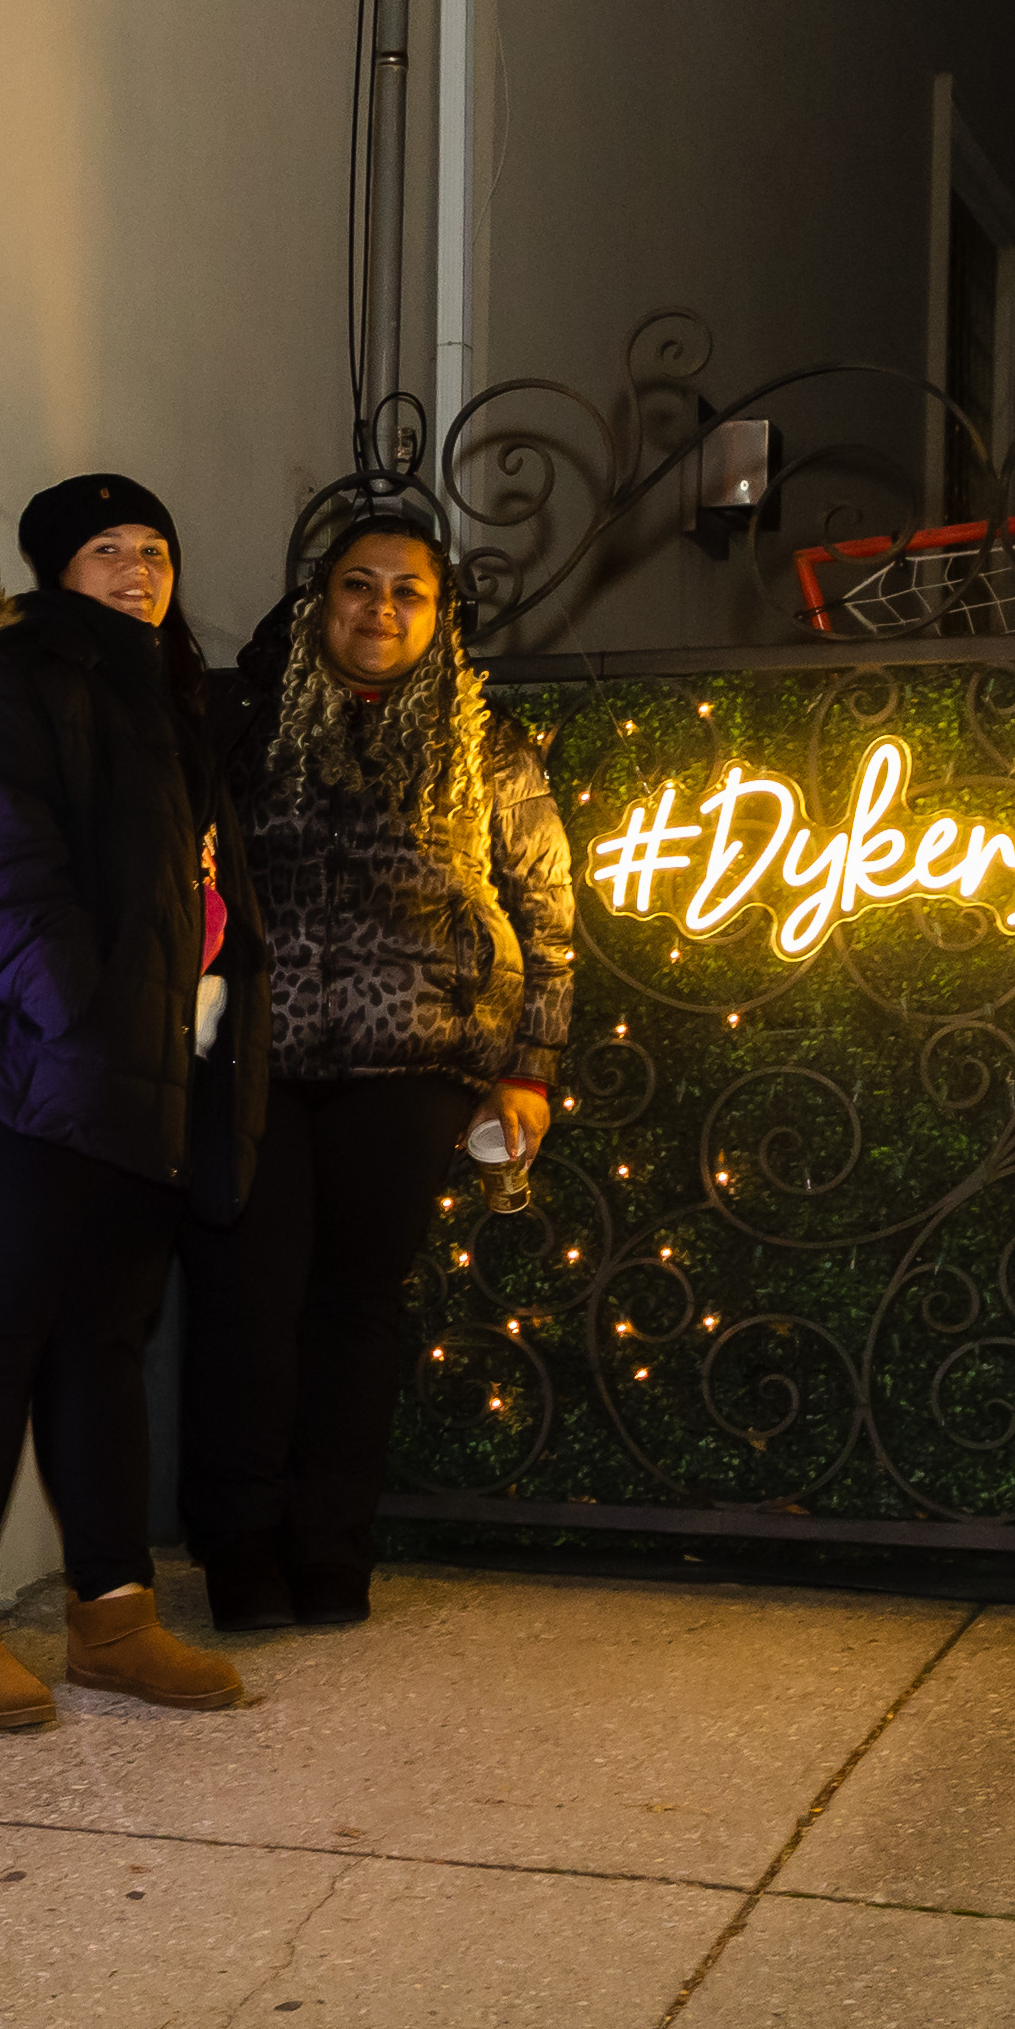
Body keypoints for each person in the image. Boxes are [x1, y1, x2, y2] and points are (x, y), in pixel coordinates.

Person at [0, 470, 264, 1730]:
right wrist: (80, 1010)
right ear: (52, 572)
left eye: (157, 546)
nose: (140, 568)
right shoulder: (0, 682)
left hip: (122, 1084)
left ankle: (115, 1617)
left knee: (103, 1351)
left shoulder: (167, 709)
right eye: (107, 549)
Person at [178, 495, 574, 1629]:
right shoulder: (247, 726)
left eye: (408, 591)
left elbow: (547, 920)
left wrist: (528, 1069)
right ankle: (241, 1551)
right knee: (247, 1308)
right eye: (360, 583)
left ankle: (331, 1550)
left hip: (414, 1069)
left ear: (440, 618)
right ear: (319, 600)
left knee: (357, 1312)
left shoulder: (489, 749)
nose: (381, 608)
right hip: (258, 1058)